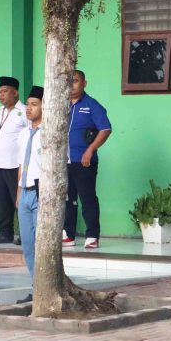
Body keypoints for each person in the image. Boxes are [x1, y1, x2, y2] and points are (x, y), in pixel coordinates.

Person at [62, 70, 111, 249]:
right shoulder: (62, 105)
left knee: (87, 197)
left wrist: (90, 150)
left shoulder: (92, 105)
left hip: (84, 161)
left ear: (84, 83)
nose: (71, 85)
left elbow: (105, 129)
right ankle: (69, 234)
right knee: (68, 199)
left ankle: (92, 235)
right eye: (68, 81)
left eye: (75, 81)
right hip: (64, 161)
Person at [0, 76, 29, 244]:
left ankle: (24, 232)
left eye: (5, 92)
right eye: (0, 92)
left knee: (18, 200)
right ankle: (5, 232)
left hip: (16, 163)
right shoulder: (0, 111)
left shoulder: (24, 111)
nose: (1, 95)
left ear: (15, 92)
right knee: (2, 200)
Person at [17, 85, 43, 300]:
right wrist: (18, 193)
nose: (29, 109)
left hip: (41, 192)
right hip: (25, 191)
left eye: (34, 105)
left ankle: (44, 289)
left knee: (41, 243)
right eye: (28, 104)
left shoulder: (51, 134)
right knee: (27, 244)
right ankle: (36, 286)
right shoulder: (24, 133)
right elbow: (20, 164)